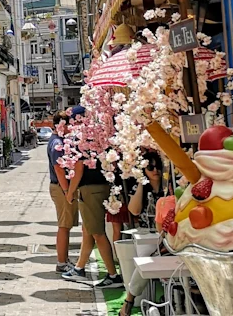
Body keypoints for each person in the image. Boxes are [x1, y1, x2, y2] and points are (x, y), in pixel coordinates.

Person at [63, 108, 123, 289]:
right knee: (88, 229)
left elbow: (79, 168)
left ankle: (113, 275)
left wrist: (70, 191)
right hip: (105, 185)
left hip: (89, 190)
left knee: (97, 232)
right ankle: (80, 268)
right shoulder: (100, 133)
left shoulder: (81, 139)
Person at [118, 150, 165, 316]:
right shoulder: (141, 189)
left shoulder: (169, 187)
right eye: (150, 167)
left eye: (157, 166)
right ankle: (130, 299)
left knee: (151, 259)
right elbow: (134, 211)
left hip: (167, 235)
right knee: (146, 261)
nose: (155, 170)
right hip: (147, 234)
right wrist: (140, 182)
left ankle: (129, 300)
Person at [47, 111, 79, 274]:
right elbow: (58, 168)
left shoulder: (59, 141)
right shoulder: (56, 144)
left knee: (66, 225)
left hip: (62, 187)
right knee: (64, 225)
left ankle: (64, 259)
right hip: (60, 187)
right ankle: (61, 262)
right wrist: (67, 190)